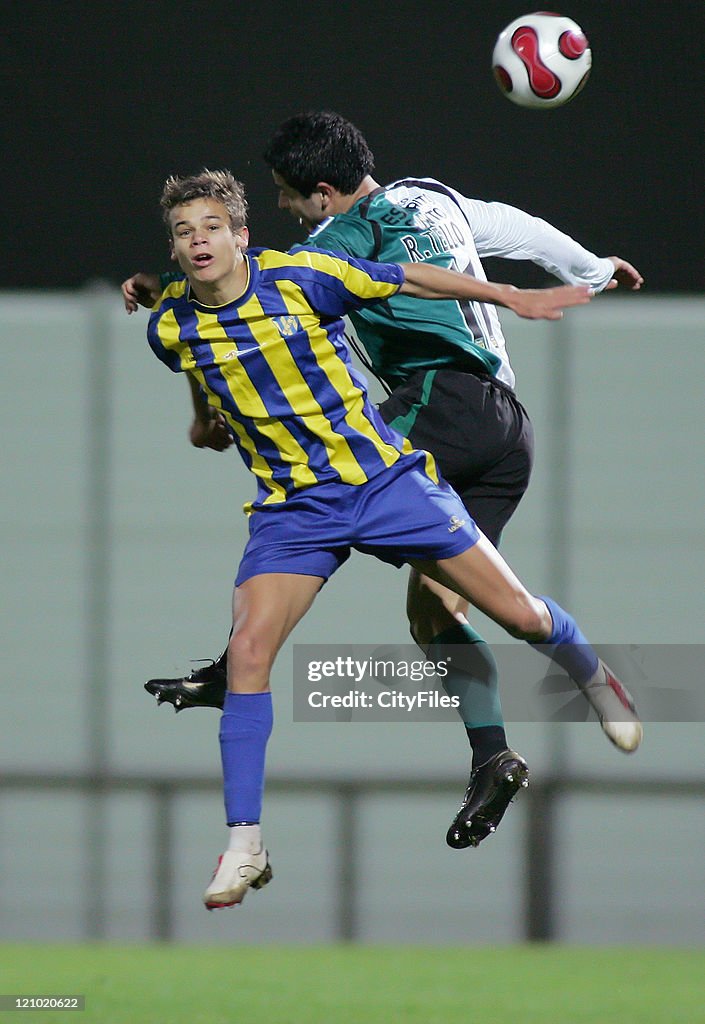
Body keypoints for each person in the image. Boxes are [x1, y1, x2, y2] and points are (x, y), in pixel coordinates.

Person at [124, 112, 643, 851]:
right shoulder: (433, 197)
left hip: (442, 404)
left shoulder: (330, 244)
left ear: (324, 192)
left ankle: (234, 663)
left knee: (328, 469)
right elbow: (516, 230)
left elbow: (247, 285)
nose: (282, 209)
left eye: (285, 195)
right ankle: (495, 750)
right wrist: (588, 267)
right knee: (436, 615)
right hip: (503, 431)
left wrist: (164, 286)